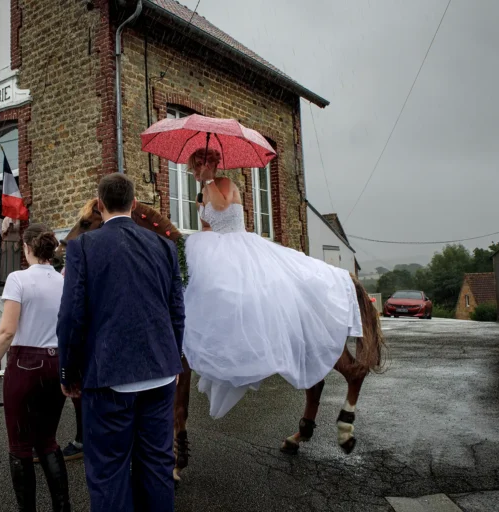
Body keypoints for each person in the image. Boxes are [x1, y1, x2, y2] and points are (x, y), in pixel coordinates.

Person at [183, 148, 363, 419]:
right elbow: (207, 229)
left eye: (203, 163)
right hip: (217, 250)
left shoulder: (224, 185)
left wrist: (209, 179)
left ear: (215, 163)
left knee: (254, 294)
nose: (198, 169)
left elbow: (221, 208)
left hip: (240, 246)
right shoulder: (200, 194)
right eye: (196, 165)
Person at [57, 173, 184, 512]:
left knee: (109, 471)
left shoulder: (83, 247)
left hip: (108, 375)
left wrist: (68, 372)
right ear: (133, 204)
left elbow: (71, 317)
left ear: (99, 205)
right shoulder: (165, 246)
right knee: (157, 466)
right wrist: (173, 361)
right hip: (160, 374)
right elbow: (176, 312)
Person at [0, 224, 71, 512]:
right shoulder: (64, 282)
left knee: (19, 445)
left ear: (27, 248)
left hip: (26, 364)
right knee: (48, 441)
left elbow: (6, 332)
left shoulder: (18, 279)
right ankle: (62, 508)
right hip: (57, 362)